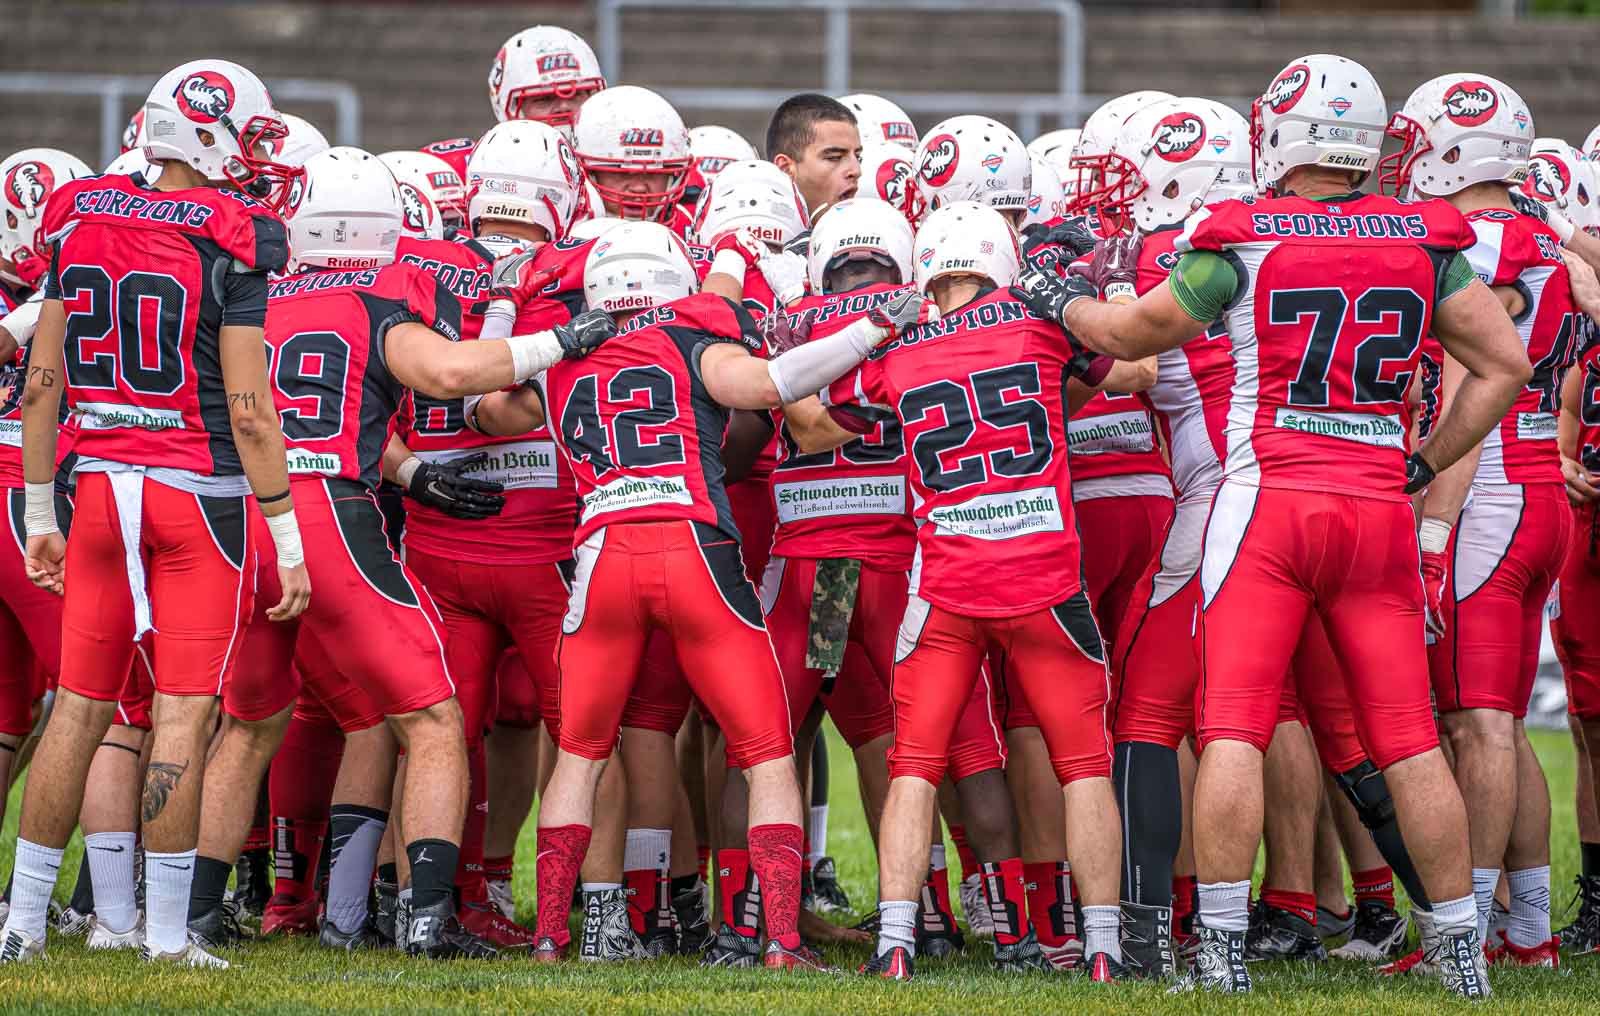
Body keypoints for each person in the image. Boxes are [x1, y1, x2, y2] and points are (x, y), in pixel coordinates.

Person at [1010, 53, 1534, 998]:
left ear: (1283, 134)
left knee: (1234, 728)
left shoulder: (1241, 236)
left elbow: (1129, 337)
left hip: (1268, 504)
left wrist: (1058, 299)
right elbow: (1504, 367)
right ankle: (1463, 953)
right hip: (1375, 505)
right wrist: (1422, 462)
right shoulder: (1426, 238)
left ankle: (1218, 952)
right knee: (1409, 737)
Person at [4, 59, 310, 968]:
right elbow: (250, 411)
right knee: (181, 714)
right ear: (210, 134)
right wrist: (287, 536)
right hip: (197, 498)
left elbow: (40, 385)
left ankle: (22, 923)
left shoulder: (80, 216)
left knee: (79, 707)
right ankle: (167, 937)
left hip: (99, 490)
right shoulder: (235, 235)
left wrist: (39, 509)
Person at [823, 201, 1125, 982]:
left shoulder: (898, 351)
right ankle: (1101, 948)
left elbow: (820, 418)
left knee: (915, 767)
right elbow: (1132, 366)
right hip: (1044, 578)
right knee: (1084, 766)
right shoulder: (1039, 324)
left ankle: (896, 943)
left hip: (946, 584)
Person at [1386, 72, 1576, 969]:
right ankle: (1526, 929)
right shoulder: (1545, 233)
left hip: (1486, 490)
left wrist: (1432, 527)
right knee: (1501, 719)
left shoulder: (1479, 241)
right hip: (1538, 489)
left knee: (1475, 724)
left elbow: (1472, 378)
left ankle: (1466, 936)